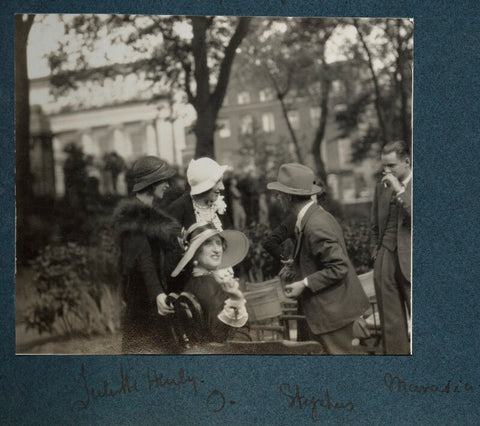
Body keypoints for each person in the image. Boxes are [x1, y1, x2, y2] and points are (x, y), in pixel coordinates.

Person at [267, 163, 370, 354]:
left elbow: (338, 267)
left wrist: (304, 283)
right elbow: (320, 258)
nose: (278, 198)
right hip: (330, 312)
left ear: (288, 197)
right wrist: (296, 265)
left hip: (333, 314)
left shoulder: (315, 224)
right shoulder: (315, 216)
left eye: (279, 193)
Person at [113, 156, 182, 354]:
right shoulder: (133, 217)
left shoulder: (149, 212)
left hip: (153, 294)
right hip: (143, 297)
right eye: (163, 181)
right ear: (151, 184)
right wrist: (157, 293)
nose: (167, 185)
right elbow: (143, 258)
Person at [171, 222, 250, 343]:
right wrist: (236, 299)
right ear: (195, 253)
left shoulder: (206, 281)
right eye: (208, 243)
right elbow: (219, 337)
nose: (217, 250)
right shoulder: (204, 286)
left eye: (218, 243)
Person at [371, 140, 412, 354]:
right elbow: (375, 224)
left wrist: (399, 190)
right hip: (386, 256)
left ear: (407, 162)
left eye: (391, 166)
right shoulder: (381, 187)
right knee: (390, 321)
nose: (386, 171)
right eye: (384, 166)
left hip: (413, 259)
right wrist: (377, 252)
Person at [167, 157, 231, 231]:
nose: (222, 187)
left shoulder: (219, 205)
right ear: (204, 185)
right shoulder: (178, 208)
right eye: (217, 182)